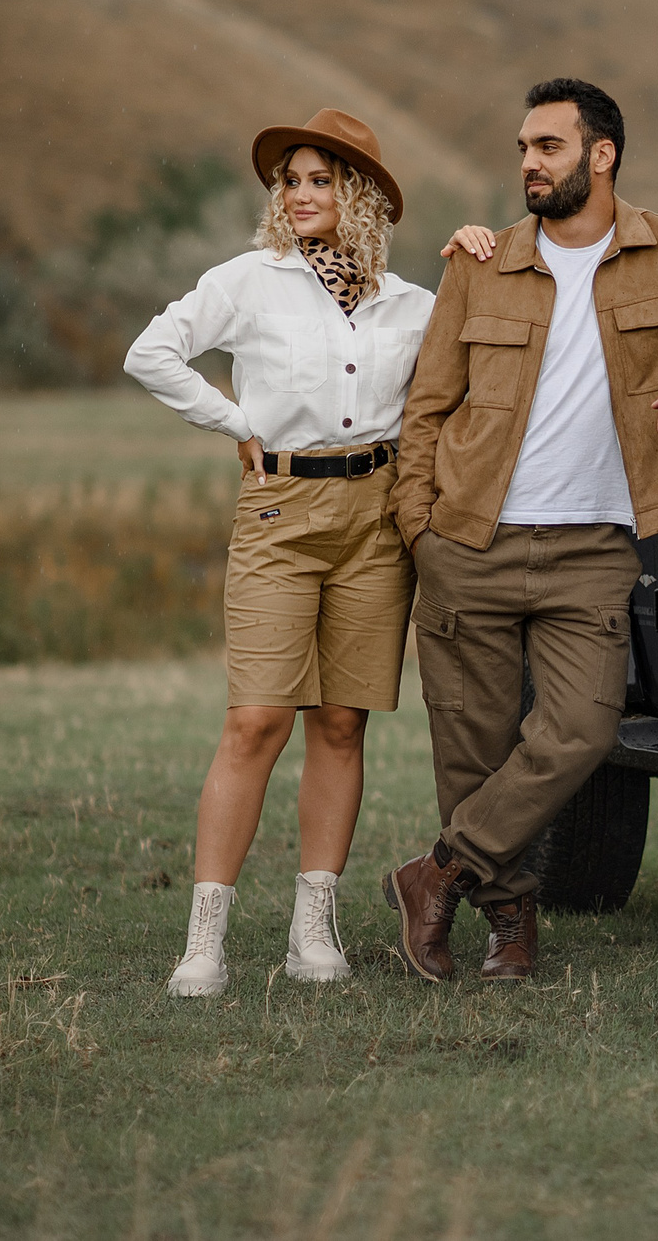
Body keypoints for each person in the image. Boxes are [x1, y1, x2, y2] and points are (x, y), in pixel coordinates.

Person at [382, 77, 658, 983]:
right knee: (474, 751)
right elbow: (427, 406)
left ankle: (435, 873)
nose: (529, 163)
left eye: (549, 147)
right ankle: (507, 930)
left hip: (595, 548)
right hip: (469, 541)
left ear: (601, 155)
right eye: (524, 148)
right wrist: (421, 529)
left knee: (581, 730)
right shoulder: (479, 263)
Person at [124, 108, 493, 995]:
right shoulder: (250, 281)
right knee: (256, 719)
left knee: (340, 721)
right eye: (288, 179)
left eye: (318, 179)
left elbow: (479, 362)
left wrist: (483, 254)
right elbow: (152, 351)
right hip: (280, 511)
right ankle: (204, 942)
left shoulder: (412, 304)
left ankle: (310, 933)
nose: (297, 195)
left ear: (358, 193)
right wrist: (233, 419)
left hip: (377, 517)